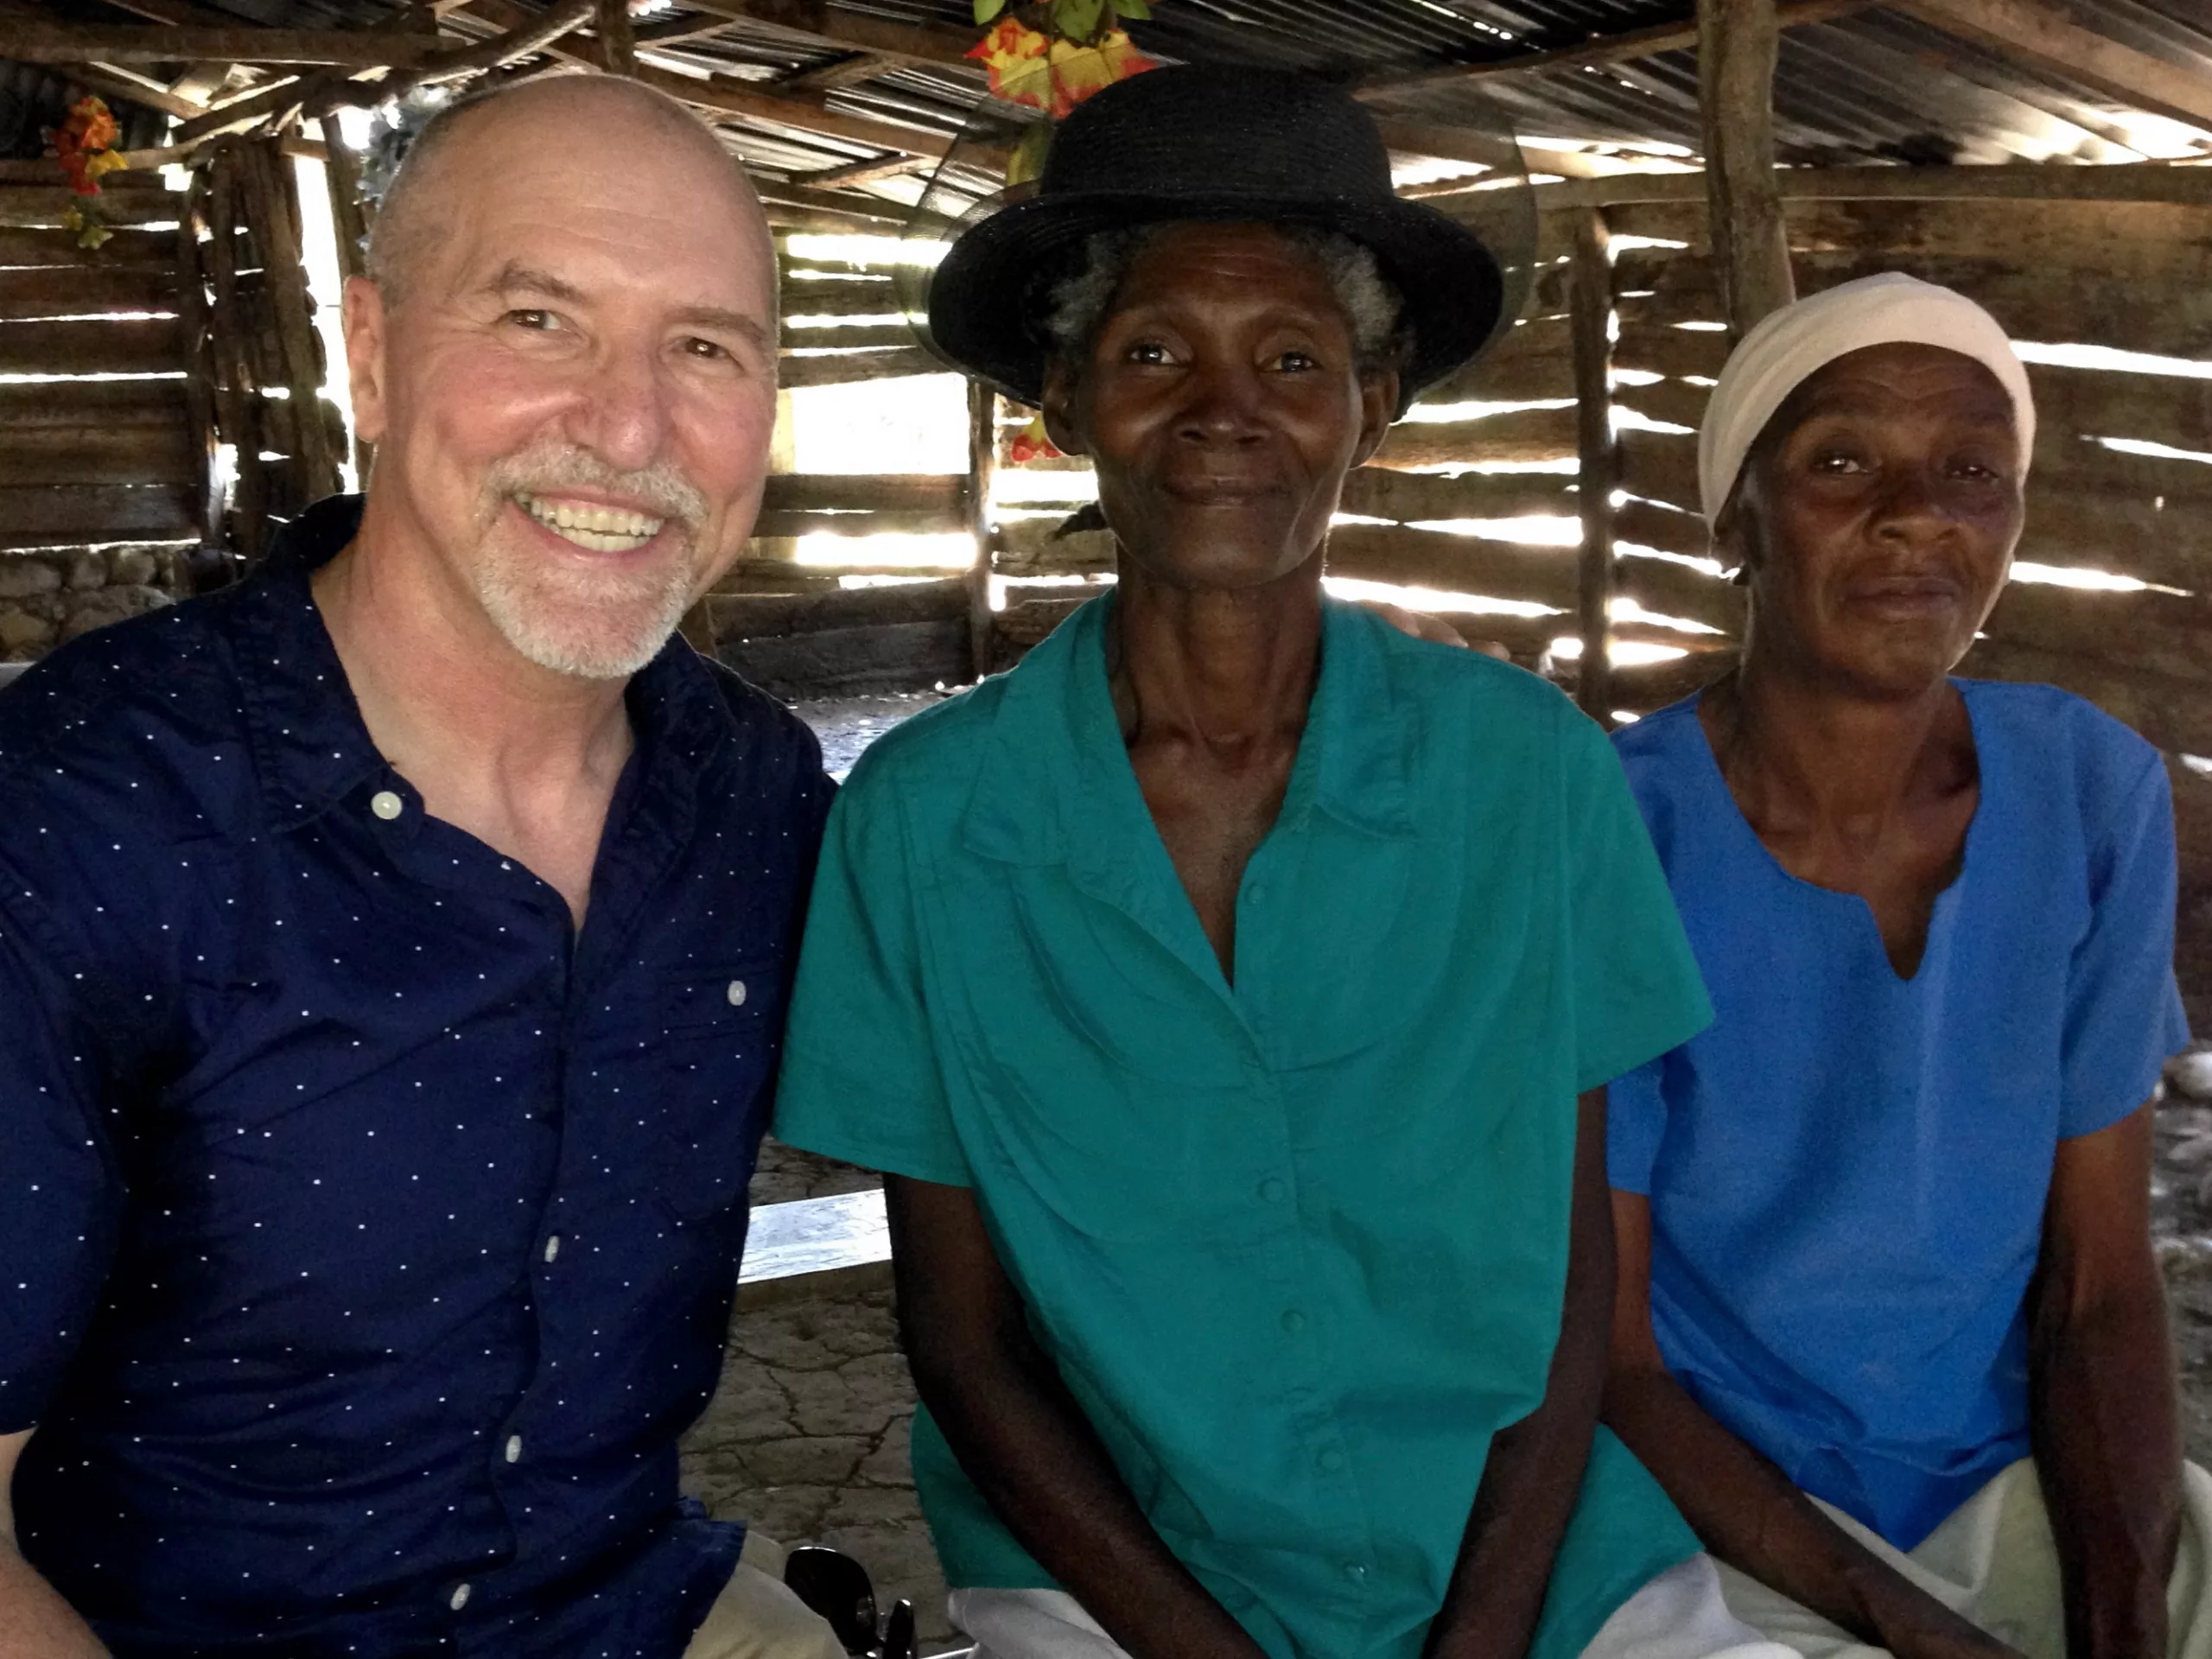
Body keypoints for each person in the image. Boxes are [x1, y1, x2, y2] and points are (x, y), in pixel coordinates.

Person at [773, 65, 1796, 1659]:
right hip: (1117, 1586)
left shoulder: (1531, 779)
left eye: (1295, 357)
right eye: (1156, 351)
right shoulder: (920, 825)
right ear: (1066, 405)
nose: (1224, 409)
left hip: (1538, 1566)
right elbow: (961, 1341)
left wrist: (1491, 1627)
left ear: (1370, 408)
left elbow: (1574, 1266)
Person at [0, 76, 846, 1659]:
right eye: (539, 320)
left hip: (631, 1615)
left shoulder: (753, 795)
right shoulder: (80, 817)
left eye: (707, 347)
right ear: (372, 356)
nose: (630, 426)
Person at [1602, 272, 2206, 1659]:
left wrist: (2120, 1619)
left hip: (2012, 1486)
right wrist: (1915, 1635)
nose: (1914, 513)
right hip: (1707, 1519)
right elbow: (1614, 1358)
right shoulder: (1613, 828)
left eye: (1971, 471)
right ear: (1734, 520)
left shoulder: (2090, 794)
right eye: (1839, 462)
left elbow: (2102, 1284)